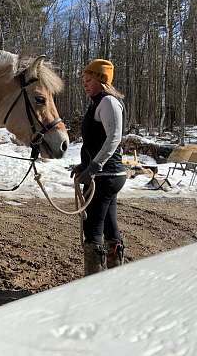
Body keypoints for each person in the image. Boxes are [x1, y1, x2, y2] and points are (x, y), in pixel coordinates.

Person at [71, 59, 127, 276]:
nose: (85, 84)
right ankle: (115, 277)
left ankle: (93, 283)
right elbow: (96, 141)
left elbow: (114, 138)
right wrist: (83, 165)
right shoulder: (97, 102)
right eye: (83, 80)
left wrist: (93, 167)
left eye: (89, 80)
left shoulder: (108, 102)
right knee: (110, 227)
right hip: (105, 174)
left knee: (93, 228)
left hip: (106, 175)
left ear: (102, 80)